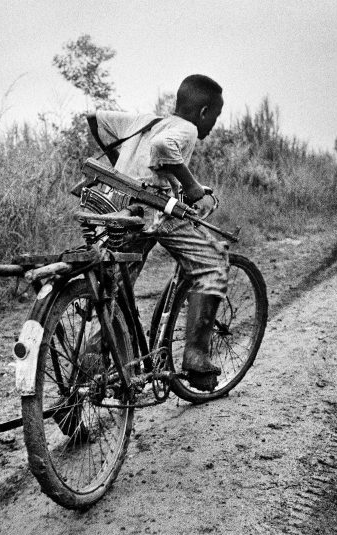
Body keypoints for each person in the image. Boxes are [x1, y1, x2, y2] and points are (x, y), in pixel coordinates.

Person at [86, 74, 228, 391]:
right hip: (151, 211)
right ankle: (196, 358)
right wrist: (193, 189)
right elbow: (164, 147)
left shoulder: (145, 121)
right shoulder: (187, 129)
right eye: (215, 117)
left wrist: (122, 166)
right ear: (204, 112)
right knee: (214, 264)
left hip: (117, 207)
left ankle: (92, 365)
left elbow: (95, 119)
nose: (213, 125)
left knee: (118, 288)